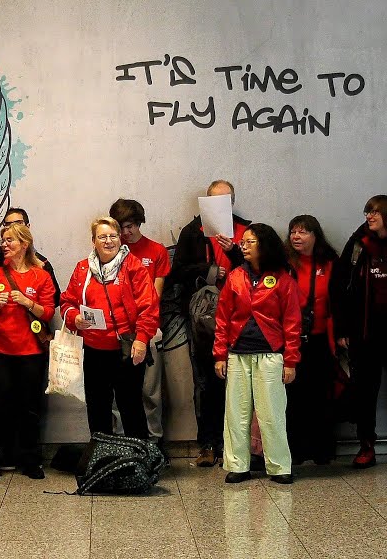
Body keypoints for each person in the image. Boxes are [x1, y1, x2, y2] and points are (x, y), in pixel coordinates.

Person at [332, 196, 387, 469]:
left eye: (375, 212)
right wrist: (341, 328)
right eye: (367, 211)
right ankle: (366, 446)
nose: (369, 216)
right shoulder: (358, 243)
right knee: (364, 392)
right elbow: (339, 286)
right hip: (365, 332)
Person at [167, 179, 250, 468]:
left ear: (233, 202)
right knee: (205, 380)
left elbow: (260, 268)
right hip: (203, 318)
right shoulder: (193, 231)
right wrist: (212, 270)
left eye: (225, 201)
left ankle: (236, 444)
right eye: (214, 201)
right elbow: (177, 272)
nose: (220, 206)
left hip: (241, 317)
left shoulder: (246, 231)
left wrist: (234, 253)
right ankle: (207, 443)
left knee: (238, 380)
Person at [213, 223, 300, 484]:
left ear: (265, 246)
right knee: (236, 413)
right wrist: (220, 354)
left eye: (250, 242)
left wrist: (291, 360)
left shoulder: (283, 279)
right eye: (244, 242)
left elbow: (292, 322)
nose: (244, 246)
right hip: (238, 353)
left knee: (272, 413)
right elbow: (222, 318)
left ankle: (279, 466)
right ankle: (238, 465)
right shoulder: (235, 276)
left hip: (271, 354)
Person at [60, 217, 159, 439]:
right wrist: (74, 318)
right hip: (94, 351)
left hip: (127, 349)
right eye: (102, 237)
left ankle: (137, 461)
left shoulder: (133, 266)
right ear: (93, 241)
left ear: (120, 239)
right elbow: (66, 302)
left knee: (131, 407)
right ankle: (101, 461)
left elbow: (149, 306)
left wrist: (142, 339)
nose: (108, 241)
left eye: (113, 236)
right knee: (97, 408)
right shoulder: (82, 268)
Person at [0, 222, 57, 481]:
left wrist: (27, 302)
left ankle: (31, 460)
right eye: (3, 241)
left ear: (24, 244)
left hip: (31, 351)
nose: (4, 245)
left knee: (30, 408)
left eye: (10, 240)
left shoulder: (41, 276)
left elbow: (48, 312)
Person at [110, 198, 172, 445]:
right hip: (118, 331)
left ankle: (153, 442)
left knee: (150, 391)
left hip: (147, 327)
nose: (126, 233)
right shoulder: (112, 250)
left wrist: (143, 330)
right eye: (121, 228)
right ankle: (120, 442)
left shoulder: (156, 251)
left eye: (131, 226)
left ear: (139, 223)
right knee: (119, 393)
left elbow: (155, 295)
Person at [286, 215, 339, 466]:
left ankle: (323, 449)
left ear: (315, 235)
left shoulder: (329, 263)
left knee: (322, 395)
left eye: (303, 232)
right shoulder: (284, 264)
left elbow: (340, 300)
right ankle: (295, 449)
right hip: (291, 340)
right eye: (293, 232)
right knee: (293, 397)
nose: (296, 236)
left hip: (321, 339)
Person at [0, 207, 61, 291]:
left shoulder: (42, 263)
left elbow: (53, 300)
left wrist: (29, 303)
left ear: (27, 227)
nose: (13, 228)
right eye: (8, 224)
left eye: (18, 223)